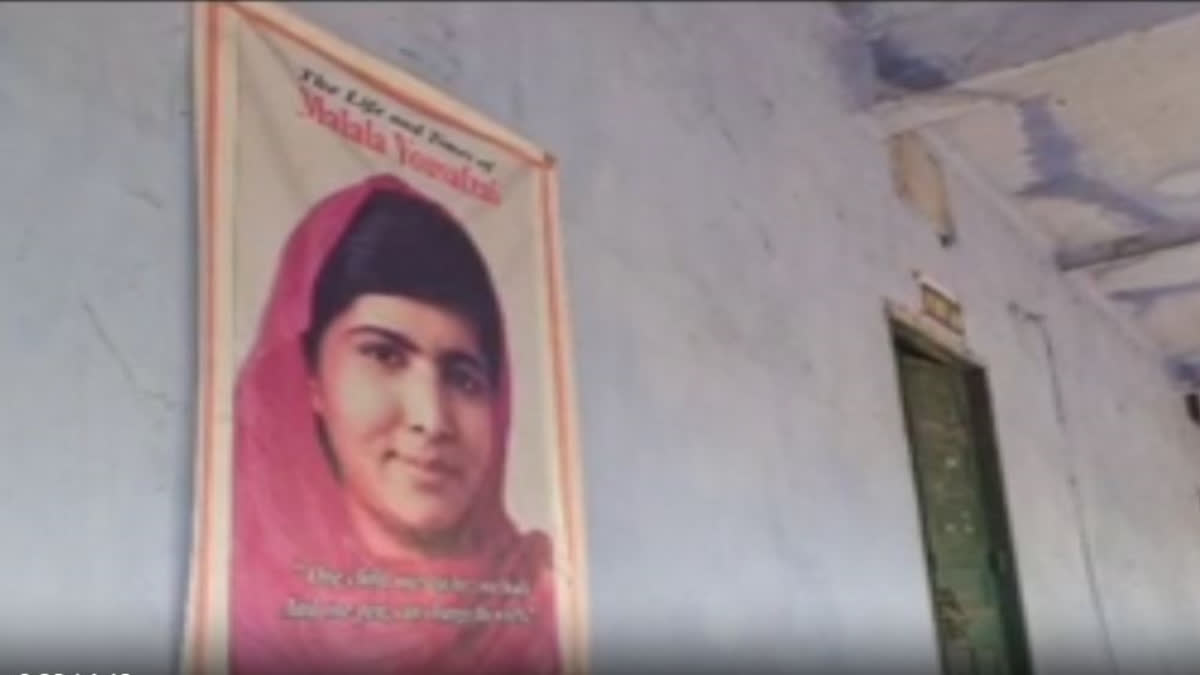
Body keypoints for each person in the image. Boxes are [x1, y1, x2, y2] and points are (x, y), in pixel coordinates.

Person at [229, 174, 560, 674]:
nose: (432, 419)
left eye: (464, 378)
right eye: (384, 355)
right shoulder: (242, 599)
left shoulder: (539, 601)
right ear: (311, 379)